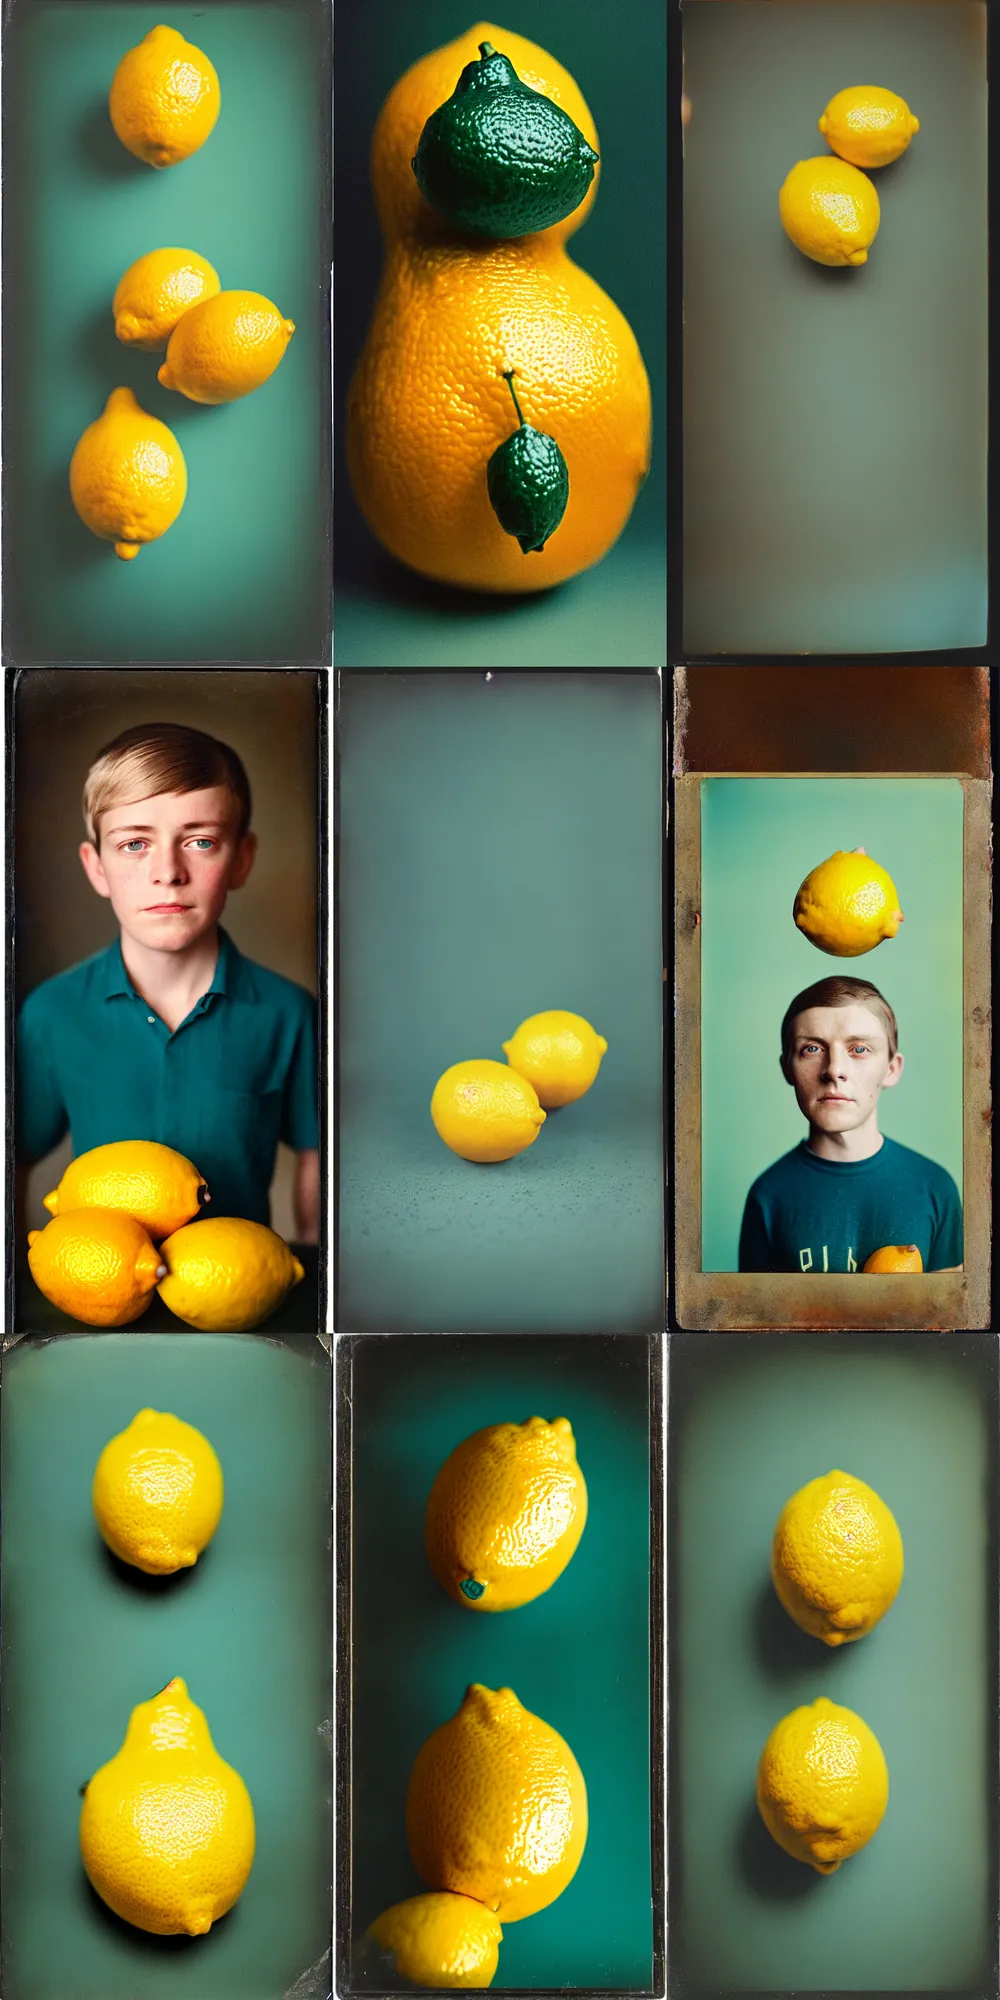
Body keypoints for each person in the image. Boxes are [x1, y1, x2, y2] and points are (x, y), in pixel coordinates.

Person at [17, 721, 319, 1241]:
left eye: (200, 841)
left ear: (241, 860)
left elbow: (320, 1155)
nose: (168, 871)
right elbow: (14, 1155)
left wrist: (314, 1265)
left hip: (239, 1297)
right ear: (96, 867)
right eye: (134, 844)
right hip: (100, 1295)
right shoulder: (52, 1012)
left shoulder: (289, 1013)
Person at [738, 975, 961, 1274]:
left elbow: (947, 1317)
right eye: (812, 1049)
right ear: (787, 1068)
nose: (834, 1070)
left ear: (891, 1070)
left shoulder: (935, 1187)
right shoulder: (767, 1195)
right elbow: (754, 1318)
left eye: (859, 1049)